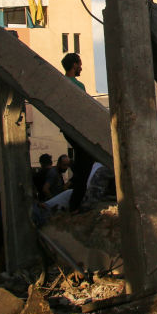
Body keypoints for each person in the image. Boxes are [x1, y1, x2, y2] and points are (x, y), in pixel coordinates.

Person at [61, 52, 95, 212]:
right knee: (86, 161)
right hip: (78, 128)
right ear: (74, 65)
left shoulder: (61, 82)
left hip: (69, 129)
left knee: (83, 161)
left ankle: (75, 200)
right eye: (79, 64)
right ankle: (76, 203)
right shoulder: (77, 85)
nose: (81, 67)